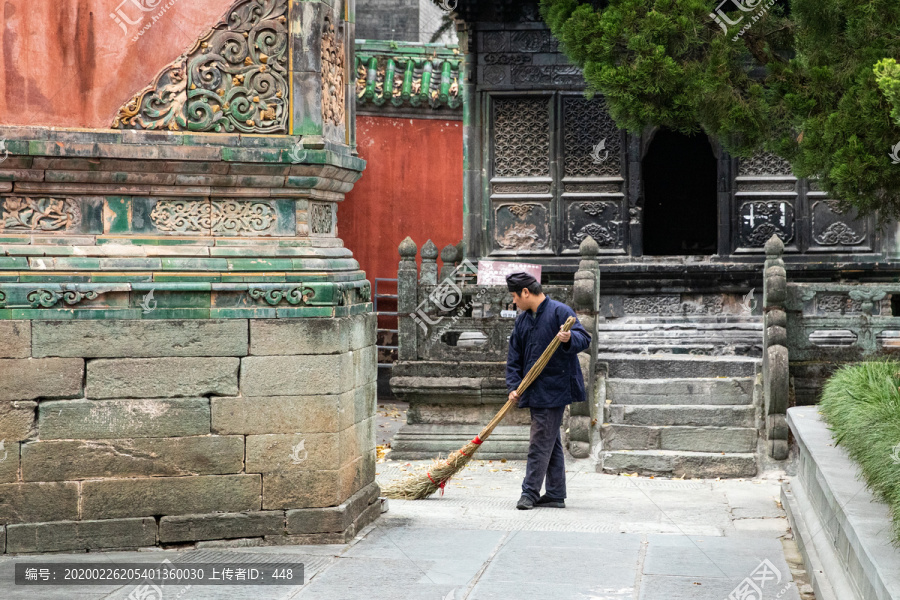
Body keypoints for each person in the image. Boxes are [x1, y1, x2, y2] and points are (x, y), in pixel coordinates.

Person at [505, 271, 591, 510]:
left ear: (525, 292)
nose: (514, 301)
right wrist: (513, 386)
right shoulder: (522, 321)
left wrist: (568, 338)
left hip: (555, 389)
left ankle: (529, 492)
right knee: (549, 441)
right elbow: (514, 358)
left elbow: (585, 338)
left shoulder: (560, 312)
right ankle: (554, 493)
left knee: (539, 442)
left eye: (514, 296)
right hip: (532, 390)